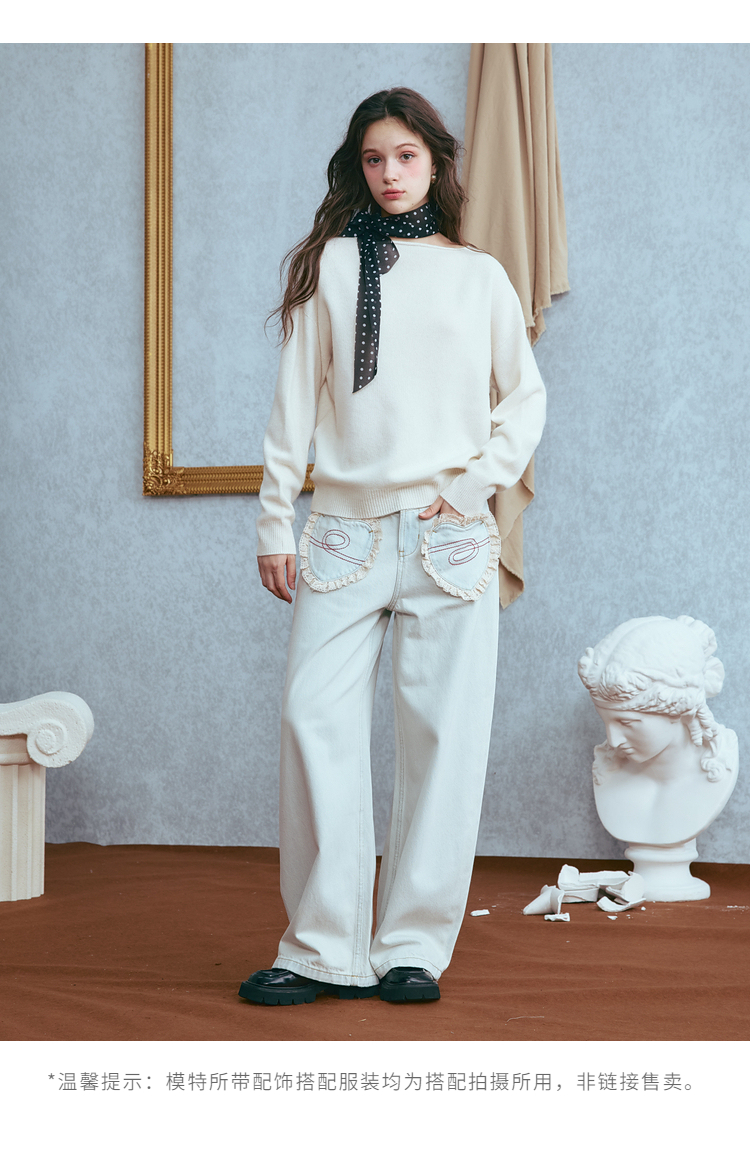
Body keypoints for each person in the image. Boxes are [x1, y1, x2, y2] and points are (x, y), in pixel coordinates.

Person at [239, 88, 546, 1006]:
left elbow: (525, 399)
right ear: (357, 168)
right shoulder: (332, 266)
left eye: (406, 156)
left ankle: (412, 945)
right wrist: (274, 519)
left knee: (443, 741)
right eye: (374, 159)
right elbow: (294, 402)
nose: (390, 173)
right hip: (343, 531)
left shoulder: (480, 276)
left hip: (451, 535)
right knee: (313, 721)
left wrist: (472, 487)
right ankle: (321, 945)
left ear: (435, 163)